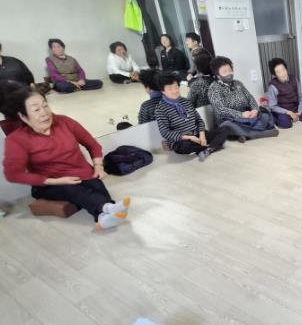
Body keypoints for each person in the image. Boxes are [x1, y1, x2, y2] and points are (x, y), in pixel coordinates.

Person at [0, 80, 130, 230]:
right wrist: (56, 181)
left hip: (81, 172)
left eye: (45, 105)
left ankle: (103, 215)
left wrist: (98, 166)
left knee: (94, 184)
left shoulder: (64, 121)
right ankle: (107, 207)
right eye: (36, 110)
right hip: (49, 184)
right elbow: (13, 174)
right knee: (70, 187)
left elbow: (92, 144)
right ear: (23, 117)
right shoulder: (17, 139)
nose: (44, 112)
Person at [155, 73, 229, 161]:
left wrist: (202, 135)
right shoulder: (160, 109)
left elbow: (199, 120)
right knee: (184, 146)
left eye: (176, 87)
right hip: (183, 140)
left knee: (225, 129)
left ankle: (207, 149)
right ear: (163, 91)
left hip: (197, 134)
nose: (175, 91)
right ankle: (213, 146)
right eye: (170, 89)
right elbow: (165, 132)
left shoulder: (186, 101)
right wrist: (190, 137)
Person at [207, 56, 278, 141]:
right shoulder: (214, 88)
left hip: (246, 116)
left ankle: (242, 135)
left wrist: (254, 110)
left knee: (265, 115)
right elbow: (220, 110)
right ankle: (255, 134)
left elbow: (250, 98)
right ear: (218, 75)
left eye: (230, 70)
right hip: (228, 119)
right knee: (227, 125)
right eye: (225, 72)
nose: (229, 73)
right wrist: (241, 114)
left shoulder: (238, 83)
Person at [266, 57, 302, 128]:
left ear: (286, 69)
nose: (282, 73)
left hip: (295, 109)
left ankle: (295, 117)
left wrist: (300, 110)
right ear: (275, 74)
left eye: (283, 70)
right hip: (283, 111)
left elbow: (300, 97)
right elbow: (272, 106)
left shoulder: (294, 79)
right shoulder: (272, 86)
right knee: (286, 124)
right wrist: (288, 112)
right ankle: (275, 116)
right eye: (279, 72)